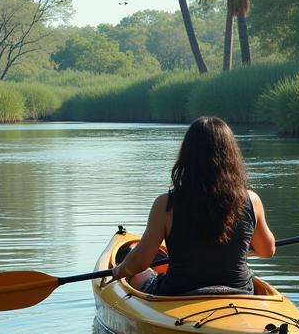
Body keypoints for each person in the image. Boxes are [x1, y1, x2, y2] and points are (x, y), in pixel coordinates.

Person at [111, 116, 276, 295]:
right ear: (232, 156)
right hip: (240, 291)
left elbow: (140, 262)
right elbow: (267, 251)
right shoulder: (252, 200)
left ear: (187, 156)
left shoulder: (165, 204)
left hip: (179, 293)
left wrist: (119, 270)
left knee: (141, 275)